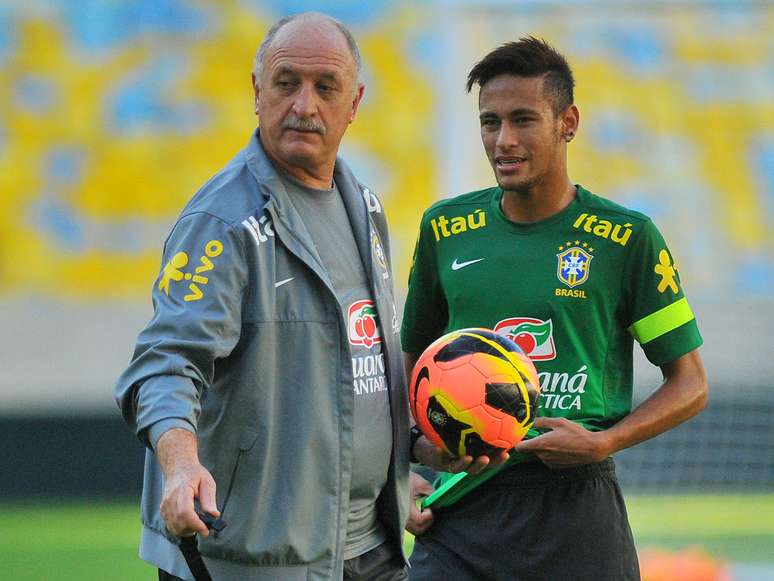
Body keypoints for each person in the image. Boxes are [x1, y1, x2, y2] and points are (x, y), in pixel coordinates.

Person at [115, 12, 410, 581]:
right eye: (285, 82)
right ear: (257, 92)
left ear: (355, 103)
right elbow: (165, 364)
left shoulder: (366, 207)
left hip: (370, 549)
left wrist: (406, 458)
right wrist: (179, 466)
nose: (304, 105)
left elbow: (362, 365)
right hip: (252, 559)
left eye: (325, 88)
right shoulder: (221, 221)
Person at [401, 37, 707, 580]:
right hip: (463, 505)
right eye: (489, 122)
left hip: (576, 506)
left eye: (523, 120)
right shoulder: (446, 228)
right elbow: (407, 369)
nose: (503, 140)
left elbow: (690, 384)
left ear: (568, 122)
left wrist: (604, 442)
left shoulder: (625, 238)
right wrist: (405, 464)